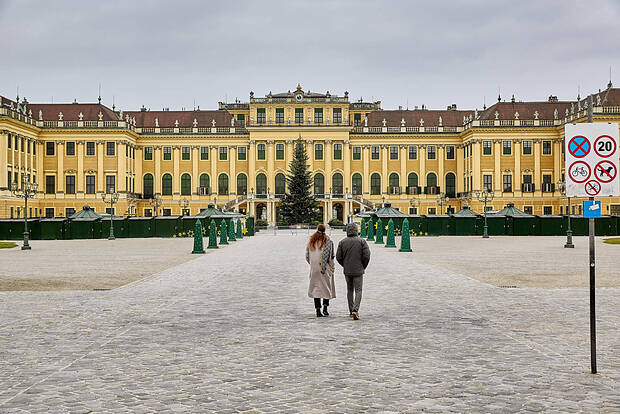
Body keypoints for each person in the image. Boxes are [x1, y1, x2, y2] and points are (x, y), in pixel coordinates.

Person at [336, 223, 370, 320]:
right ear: (356, 230)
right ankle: (356, 310)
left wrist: (345, 265)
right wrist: (363, 266)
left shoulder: (342, 242)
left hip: (347, 270)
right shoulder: (361, 241)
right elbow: (367, 256)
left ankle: (351, 311)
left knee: (349, 290)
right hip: (358, 270)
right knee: (358, 290)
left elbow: (338, 257)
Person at [306, 224, 336, 317]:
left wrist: (312, 264)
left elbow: (307, 256)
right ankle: (325, 308)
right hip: (324, 268)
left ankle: (318, 310)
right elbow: (331, 257)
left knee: (316, 289)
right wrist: (332, 268)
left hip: (314, 268)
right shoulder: (328, 241)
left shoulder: (311, 241)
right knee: (326, 288)